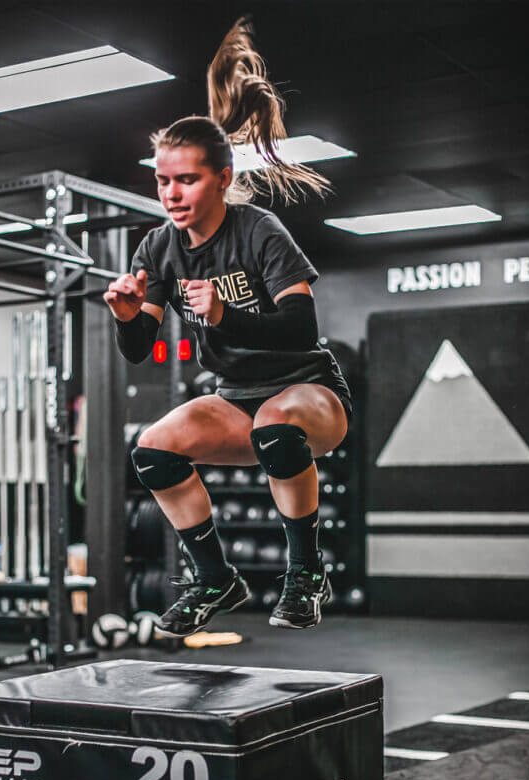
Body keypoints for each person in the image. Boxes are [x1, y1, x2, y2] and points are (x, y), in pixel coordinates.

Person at [103, 17, 351, 637]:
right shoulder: (158, 248)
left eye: (185, 179)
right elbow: (140, 351)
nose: (171, 192)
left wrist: (222, 314)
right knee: (153, 449)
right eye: (163, 180)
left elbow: (300, 327)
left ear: (221, 179)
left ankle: (304, 572)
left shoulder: (258, 229)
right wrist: (129, 318)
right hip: (235, 401)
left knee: (277, 425)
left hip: (309, 393)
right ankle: (215, 578)